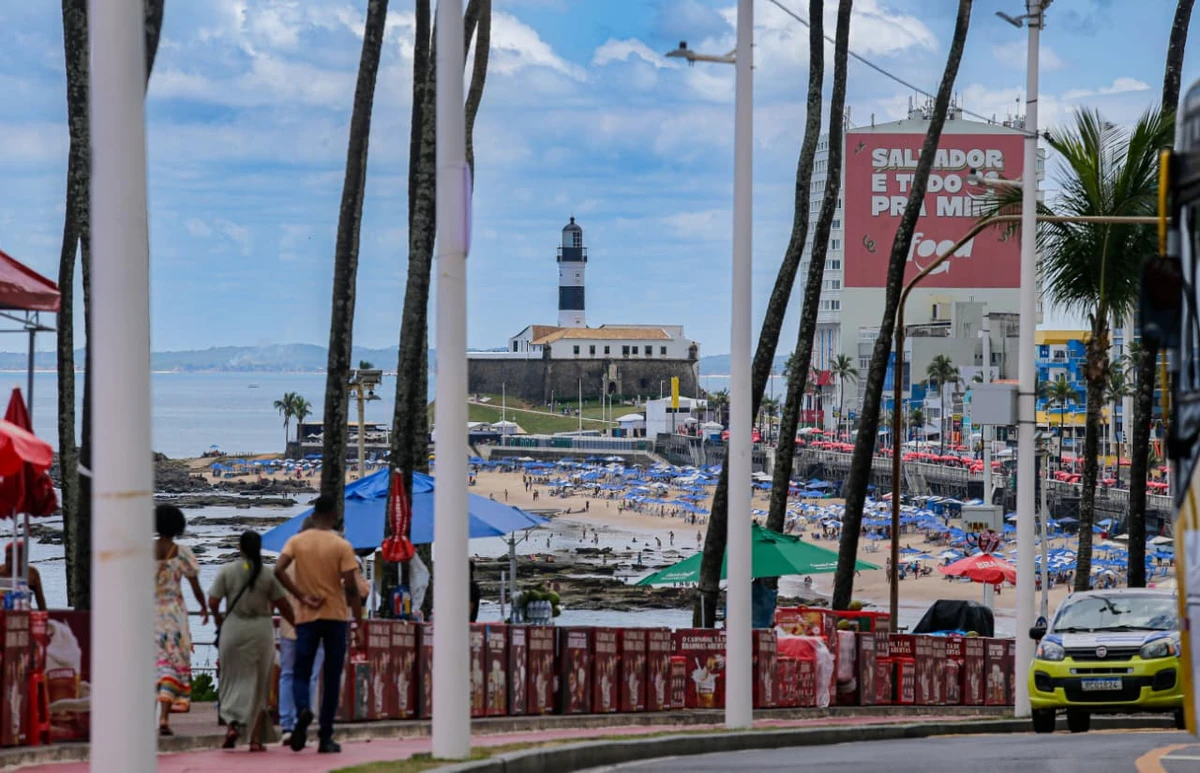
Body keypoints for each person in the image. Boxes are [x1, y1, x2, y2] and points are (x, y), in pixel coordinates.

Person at [275, 495, 362, 754]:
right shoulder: (341, 545)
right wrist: (357, 621)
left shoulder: (296, 541)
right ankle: (325, 736)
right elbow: (352, 588)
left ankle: (302, 709)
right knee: (331, 677)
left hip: (306, 616)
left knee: (300, 670)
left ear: (313, 514)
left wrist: (301, 595)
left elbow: (278, 571)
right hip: (335, 617)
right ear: (333, 515)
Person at [208, 531, 294, 751]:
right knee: (259, 684)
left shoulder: (227, 571)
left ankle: (232, 724)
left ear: (240, 548)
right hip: (261, 631)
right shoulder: (267, 575)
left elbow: (213, 601)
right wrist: (297, 626)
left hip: (233, 629)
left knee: (231, 679)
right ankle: (255, 739)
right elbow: (284, 605)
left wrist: (219, 620)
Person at [154, 504, 208, 736]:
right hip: (174, 614)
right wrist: (204, 607)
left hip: (148, 614)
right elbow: (195, 586)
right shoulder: (182, 552)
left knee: (152, 664)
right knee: (172, 664)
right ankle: (164, 717)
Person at [277, 519, 324, 746]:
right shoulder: (320, 562)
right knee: (311, 677)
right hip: (315, 625)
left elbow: (276, 595)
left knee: (287, 674)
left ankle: (286, 724)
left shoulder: (287, 564)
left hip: (289, 626)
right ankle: (302, 718)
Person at [0, 542, 45, 610]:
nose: (9, 563)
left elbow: (41, 602)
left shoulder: (31, 573)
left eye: (12, 559)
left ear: (22, 558)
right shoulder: (1, 571)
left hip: (24, 614)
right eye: (7, 559)